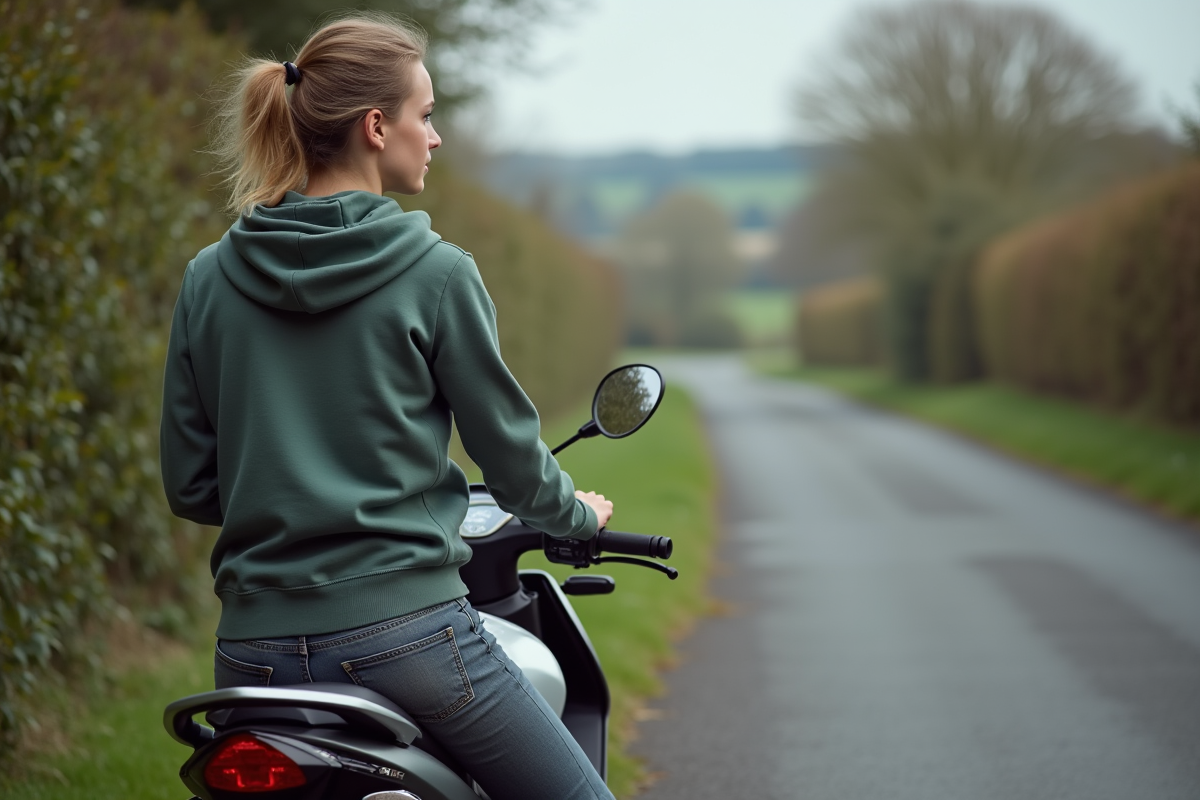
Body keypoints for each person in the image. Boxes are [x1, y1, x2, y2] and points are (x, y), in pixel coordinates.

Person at [158, 13, 615, 800]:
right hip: (411, 640)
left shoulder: (209, 278)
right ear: (377, 126)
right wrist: (579, 516)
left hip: (250, 651)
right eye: (425, 116)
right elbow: (511, 465)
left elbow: (192, 488)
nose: (433, 137)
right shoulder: (436, 274)